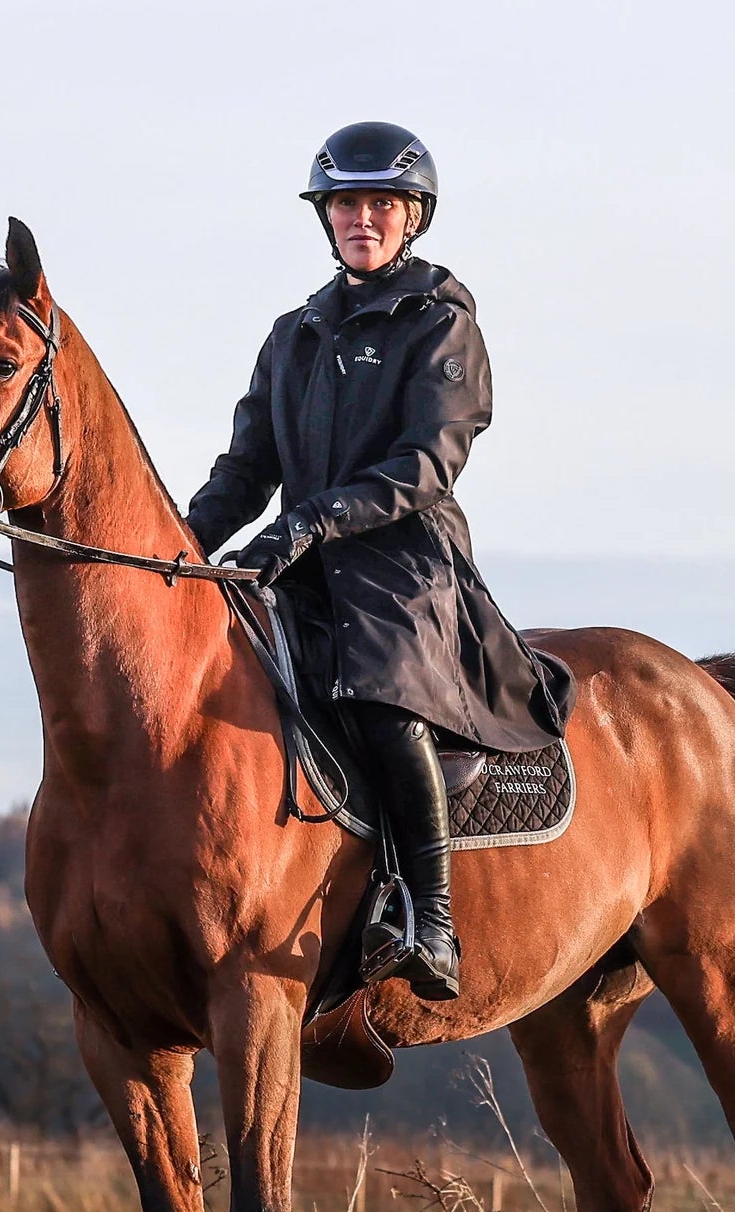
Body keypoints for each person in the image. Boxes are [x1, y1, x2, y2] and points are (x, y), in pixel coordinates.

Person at [186, 122, 573, 1001]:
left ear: (413, 218)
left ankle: (430, 922)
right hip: (304, 564)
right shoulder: (293, 335)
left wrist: (313, 522)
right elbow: (248, 470)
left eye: (381, 205)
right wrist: (173, 551)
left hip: (406, 569)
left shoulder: (442, 324)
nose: (363, 218)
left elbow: (426, 465)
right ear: (327, 218)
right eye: (347, 205)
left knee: (380, 696)